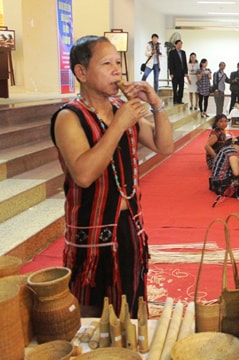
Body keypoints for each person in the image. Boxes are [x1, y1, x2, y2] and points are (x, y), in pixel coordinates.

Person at [50, 35, 174, 317]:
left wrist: (156, 103)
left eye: (117, 62)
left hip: (129, 224)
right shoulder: (69, 117)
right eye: (106, 63)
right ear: (81, 72)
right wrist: (118, 126)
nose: (117, 70)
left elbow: (164, 146)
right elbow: (83, 174)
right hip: (92, 235)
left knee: (129, 308)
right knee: (92, 315)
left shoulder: (120, 110)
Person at [168, 39, 188, 104]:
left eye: (181, 44)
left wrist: (186, 72)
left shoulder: (183, 52)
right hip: (175, 73)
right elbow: (170, 63)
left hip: (182, 73)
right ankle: (175, 100)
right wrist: (171, 73)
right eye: (178, 44)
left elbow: (184, 63)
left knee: (181, 87)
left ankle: (180, 99)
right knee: (175, 87)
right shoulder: (172, 53)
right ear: (175, 45)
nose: (180, 46)